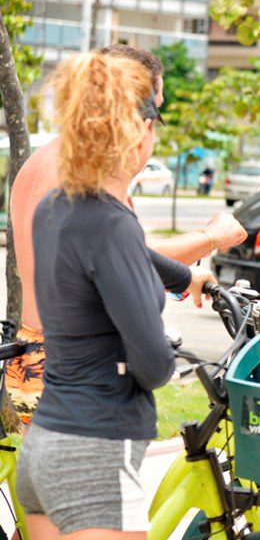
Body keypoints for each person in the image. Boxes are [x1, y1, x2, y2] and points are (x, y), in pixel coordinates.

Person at [16, 52, 210, 539]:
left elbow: (109, 260)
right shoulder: (112, 223)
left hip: (45, 446)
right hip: (97, 447)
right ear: (140, 132)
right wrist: (163, 350)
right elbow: (154, 364)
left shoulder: (57, 208)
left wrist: (184, 277)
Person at [6, 44, 245, 426]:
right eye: (154, 108)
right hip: (78, 369)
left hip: (36, 352)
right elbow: (122, 252)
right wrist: (210, 236)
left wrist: (185, 275)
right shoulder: (83, 176)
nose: (154, 123)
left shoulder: (47, 158)